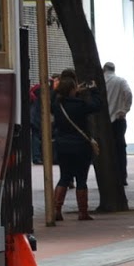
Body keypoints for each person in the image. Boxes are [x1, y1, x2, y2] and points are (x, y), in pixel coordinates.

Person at [50, 69, 103, 221]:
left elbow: (52, 100)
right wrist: (93, 90)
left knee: (64, 177)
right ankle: (82, 212)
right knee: (81, 179)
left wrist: (58, 90)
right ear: (73, 90)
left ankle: (56, 210)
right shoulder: (80, 105)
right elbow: (97, 105)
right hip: (81, 146)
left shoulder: (57, 105)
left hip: (62, 145)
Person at [102, 61, 132, 186]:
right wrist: (124, 109)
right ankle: (122, 176)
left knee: (105, 150)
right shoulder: (121, 81)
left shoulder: (100, 82)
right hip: (118, 119)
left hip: (103, 121)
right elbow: (128, 93)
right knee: (120, 148)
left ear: (104, 69)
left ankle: (107, 176)